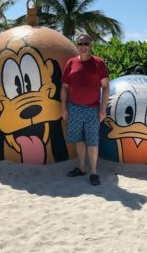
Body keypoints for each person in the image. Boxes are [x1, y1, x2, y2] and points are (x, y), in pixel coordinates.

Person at [61, 34, 109, 186]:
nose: (83, 46)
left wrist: (103, 110)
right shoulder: (71, 63)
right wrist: (64, 107)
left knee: (92, 141)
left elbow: (106, 87)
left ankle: (94, 172)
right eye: (80, 43)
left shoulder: (99, 63)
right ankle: (81, 168)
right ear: (77, 45)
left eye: (86, 43)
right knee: (79, 140)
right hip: (74, 107)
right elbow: (64, 87)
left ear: (90, 45)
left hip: (92, 109)